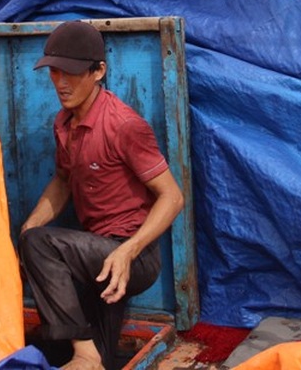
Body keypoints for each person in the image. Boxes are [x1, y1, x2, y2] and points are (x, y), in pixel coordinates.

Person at [18, 21, 185, 370]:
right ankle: (89, 355)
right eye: (55, 72)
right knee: (103, 359)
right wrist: (28, 228)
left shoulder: (123, 125)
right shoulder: (63, 124)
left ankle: (85, 352)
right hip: (94, 253)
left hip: (133, 257)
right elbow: (63, 180)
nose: (61, 83)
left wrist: (128, 251)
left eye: (72, 73)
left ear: (99, 71)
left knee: (40, 245)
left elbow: (172, 197)